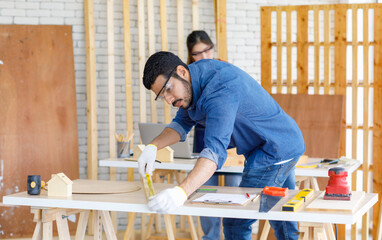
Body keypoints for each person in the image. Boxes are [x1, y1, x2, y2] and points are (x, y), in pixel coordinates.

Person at [138, 51, 305, 240]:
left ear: (181, 72)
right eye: (162, 96)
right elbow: (180, 125)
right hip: (281, 143)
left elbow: (214, 152)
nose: (168, 100)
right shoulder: (190, 86)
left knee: (236, 223)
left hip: (273, 150)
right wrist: (152, 147)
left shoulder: (219, 90)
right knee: (281, 211)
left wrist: (181, 191)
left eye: (168, 89)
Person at [186, 30, 242, 240]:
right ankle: (210, 237)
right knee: (203, 191)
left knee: (235, 188)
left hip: (229, 139)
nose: (203, 57)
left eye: (207, 50)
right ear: (190, 56)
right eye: (197, 54)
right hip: (202, 139)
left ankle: (233, 235)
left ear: (212, 48)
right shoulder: (188, 76)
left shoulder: (224, 69)